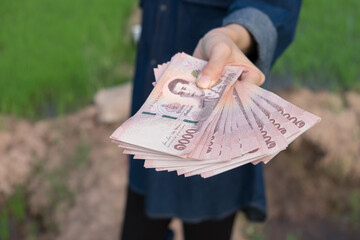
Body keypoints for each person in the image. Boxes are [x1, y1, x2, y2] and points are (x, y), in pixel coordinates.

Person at [121, 1, 302, 239]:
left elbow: (273, 6)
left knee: (208, 224)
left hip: (213, 121)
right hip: (151, 108)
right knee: (139, 223)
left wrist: (230, 35)